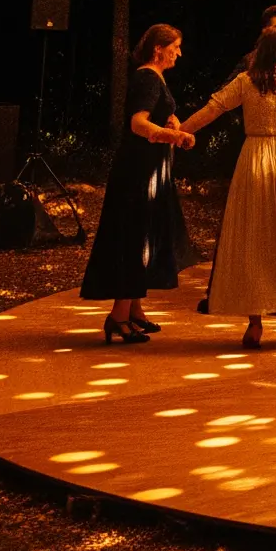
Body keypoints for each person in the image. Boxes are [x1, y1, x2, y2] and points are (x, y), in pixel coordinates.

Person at [180, 25, 276, 349]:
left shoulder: (246, 81)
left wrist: (181, 130)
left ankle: (255, 323)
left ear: (260, 52)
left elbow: (214, 107)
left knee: (255, 238)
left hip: (255, 159)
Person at [80, 22, 196, 342]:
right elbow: (137, 123)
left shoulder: (154, 78)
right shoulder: (147, 77)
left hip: (149, 168)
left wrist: (171, 122)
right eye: (175, 46)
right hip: (138, 170)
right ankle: (118, 317)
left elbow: (157, 116)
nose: (179, 52)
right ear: (158, 48)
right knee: (134, 236)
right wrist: (175, 135)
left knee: (143, 236)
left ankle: (134, 310)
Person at [196, 1, 276, 312]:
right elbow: (221, 100)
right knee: (242, 225)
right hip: (250, 150)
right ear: (266, 31)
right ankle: (223, 291)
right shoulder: (250, 64)